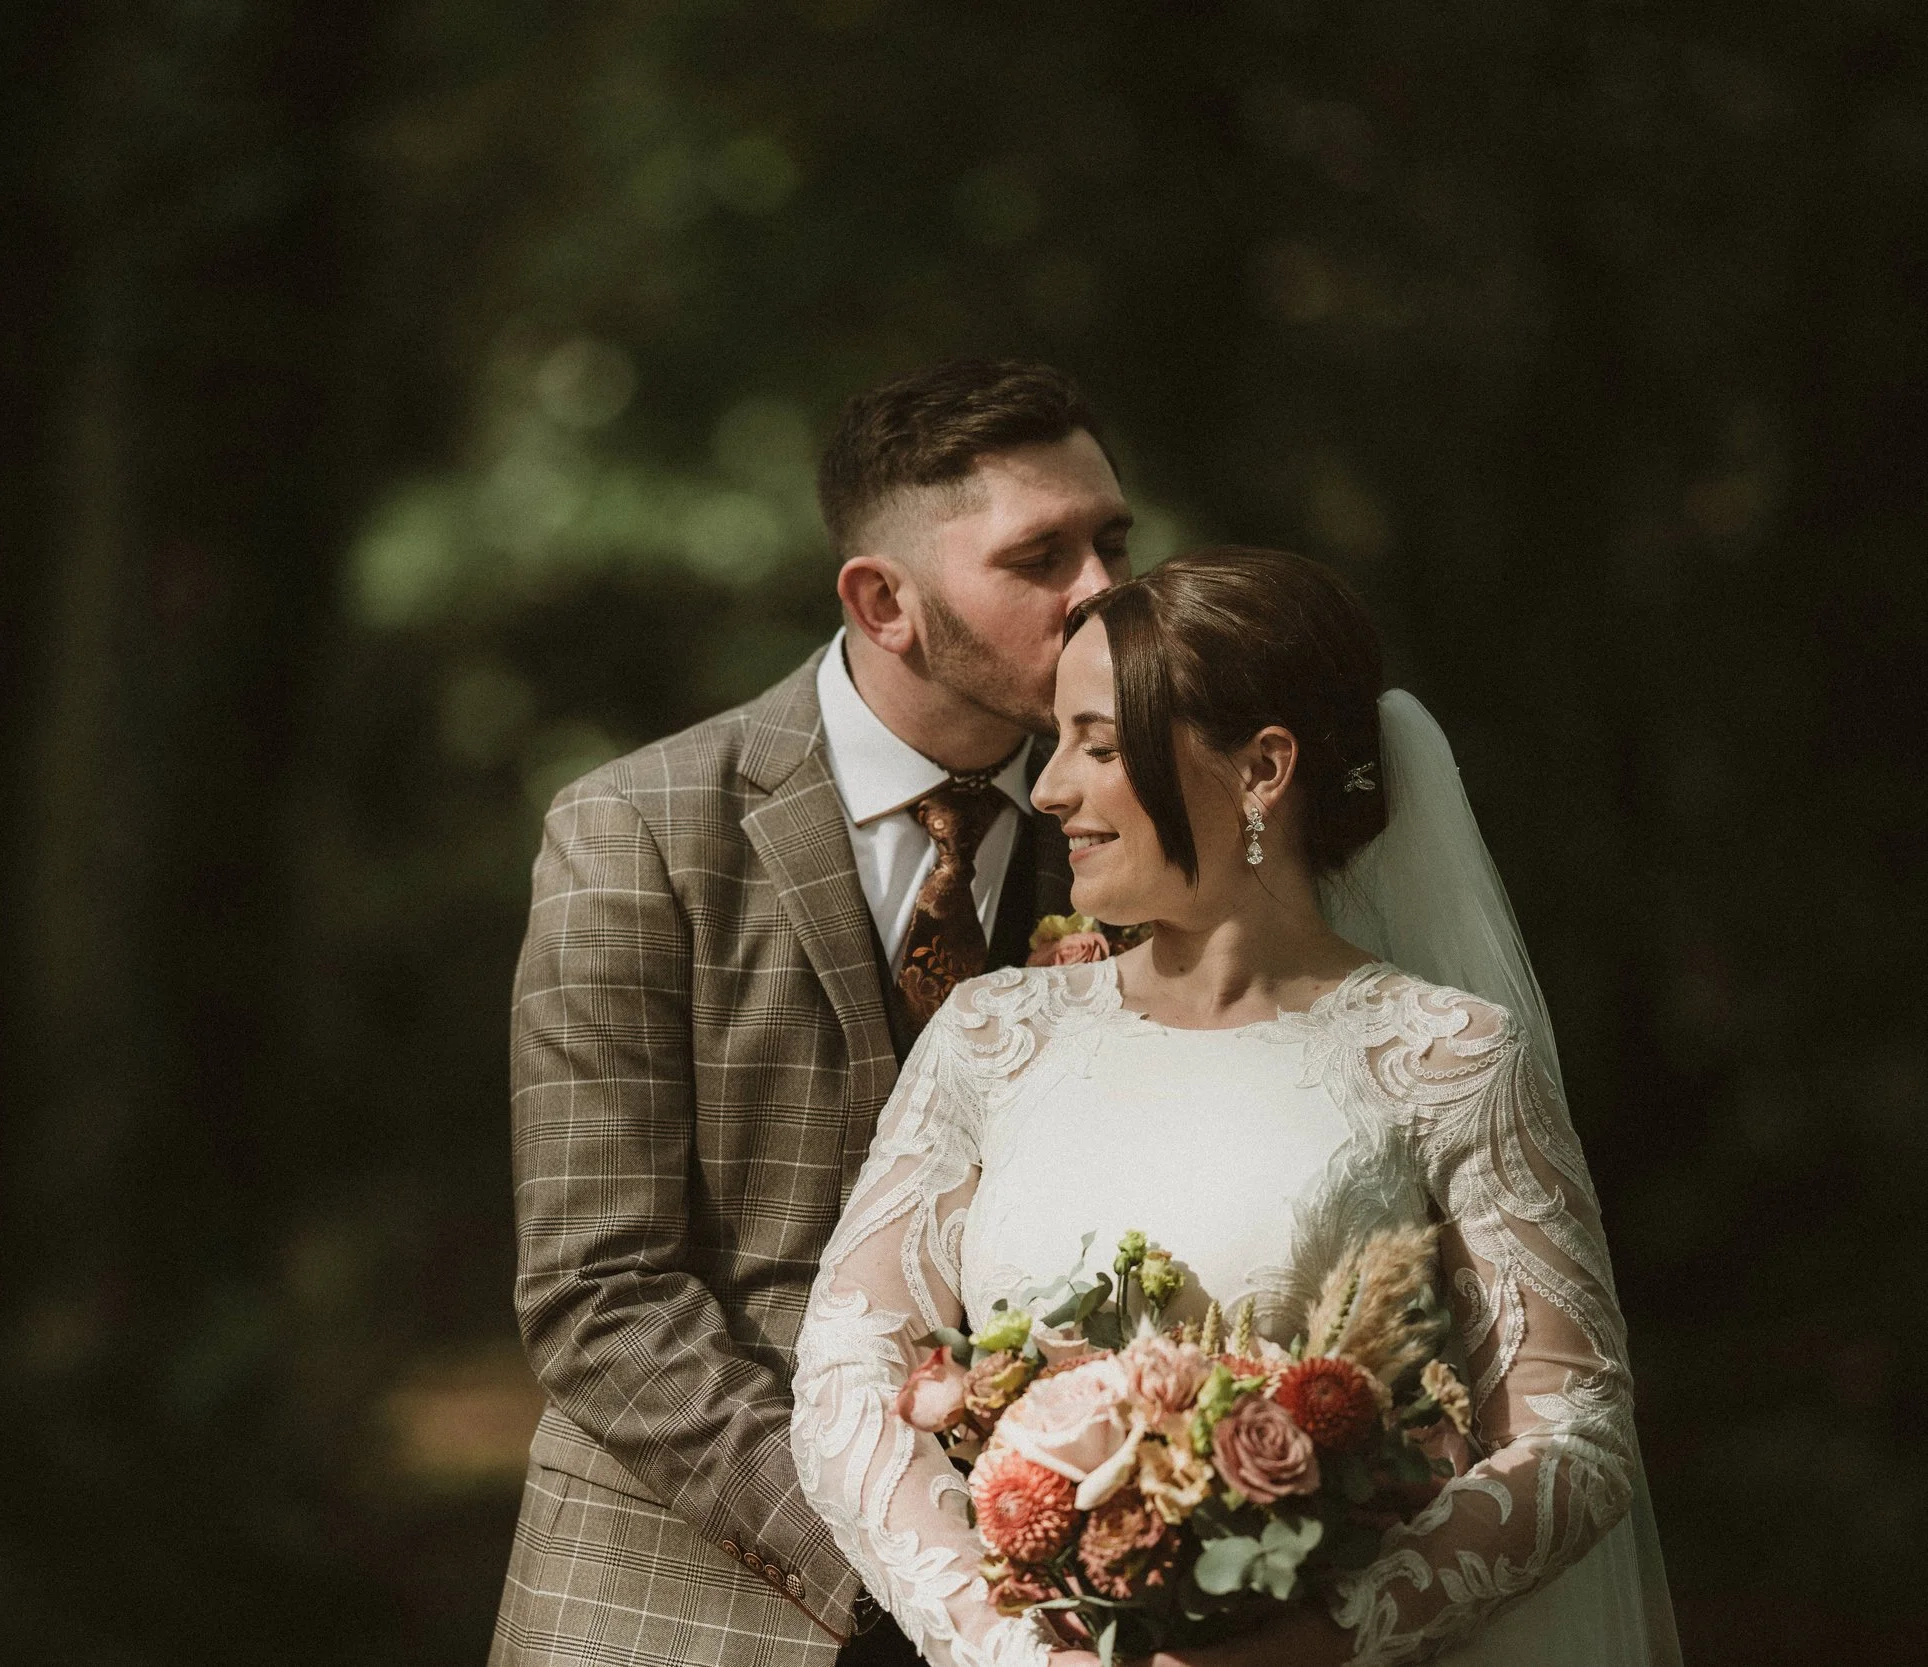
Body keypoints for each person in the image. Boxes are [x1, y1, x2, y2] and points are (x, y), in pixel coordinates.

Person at [789, 549, 1681, 1667]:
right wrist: (1014, 1649)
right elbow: (845, 1377)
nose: (1050, 785)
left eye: (1098, 745)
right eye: (1056, 738)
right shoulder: (990, 1036)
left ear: (1262, 768)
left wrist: (1324, 1634)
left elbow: (1573, 1432)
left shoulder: (1445, 1056)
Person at [491, 360, 1137, 1667]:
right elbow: (597, 1291)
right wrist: (916, 1563)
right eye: (1041, 555)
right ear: (882, 600)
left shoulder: (1142, 834)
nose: (1104, 589)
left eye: (1113, 539)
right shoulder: (637, 831)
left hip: (1086, 1592)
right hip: (700, 1596)